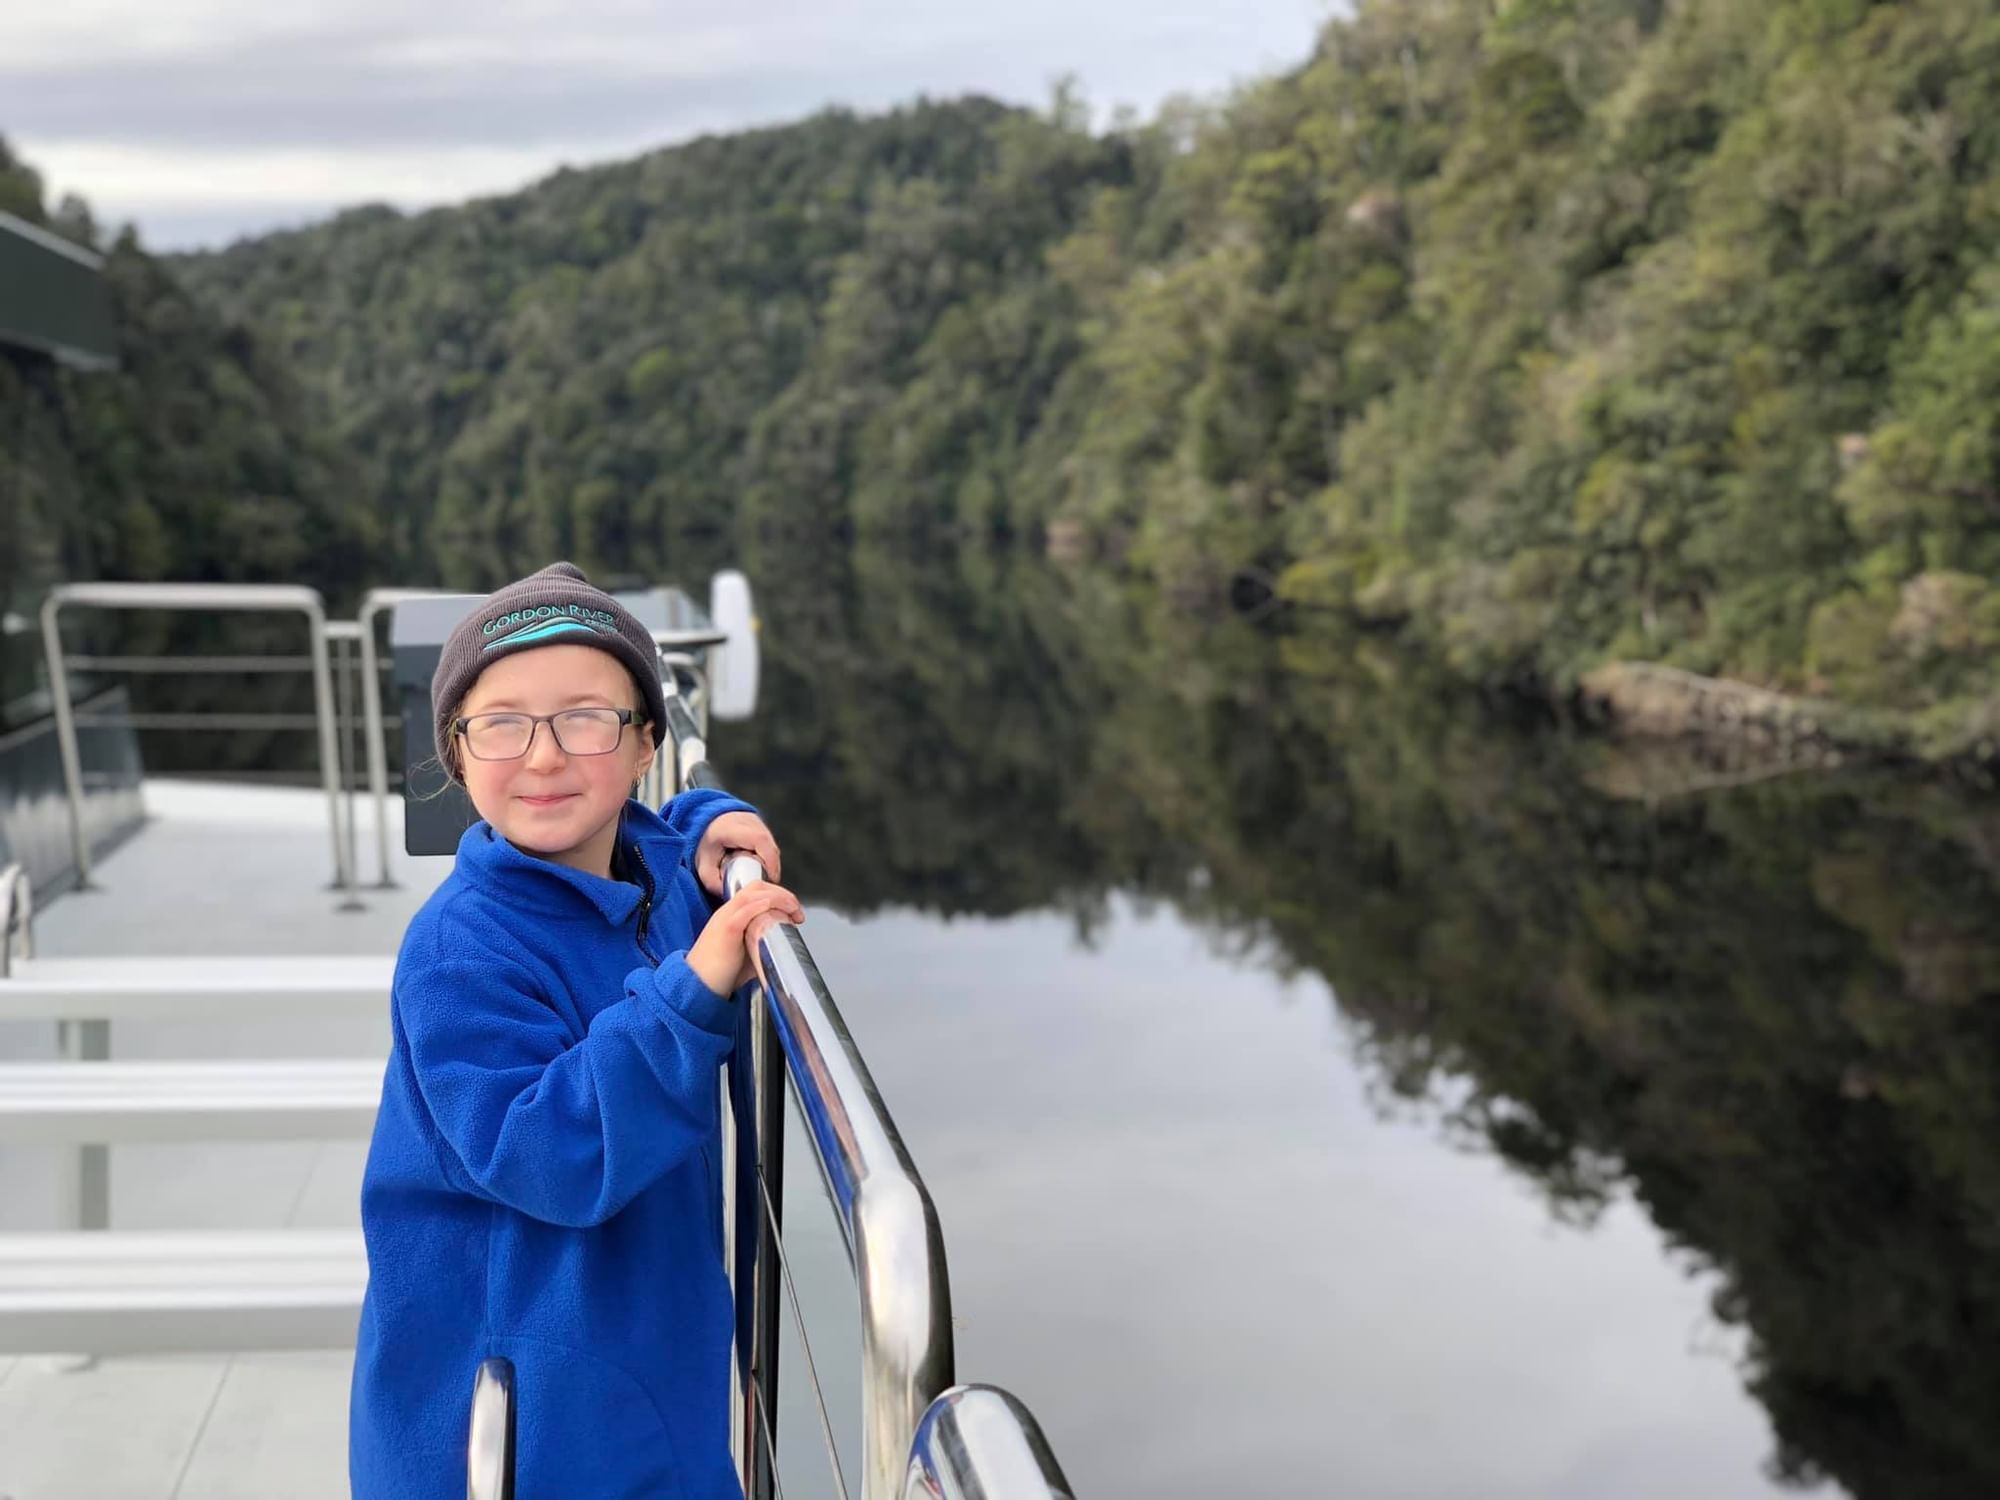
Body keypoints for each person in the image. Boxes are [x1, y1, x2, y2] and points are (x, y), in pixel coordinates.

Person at [349, 562, 803, 1498]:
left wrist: (720, 815)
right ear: (457, 755)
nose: (545, 757)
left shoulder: (648, 881)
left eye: (587, 719)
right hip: (516, 1432)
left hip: (639, 1375)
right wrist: (693, 991)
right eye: (502, 724)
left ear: (644, 744)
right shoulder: (456, 951)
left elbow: (672, 832)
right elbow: (547, 1151)